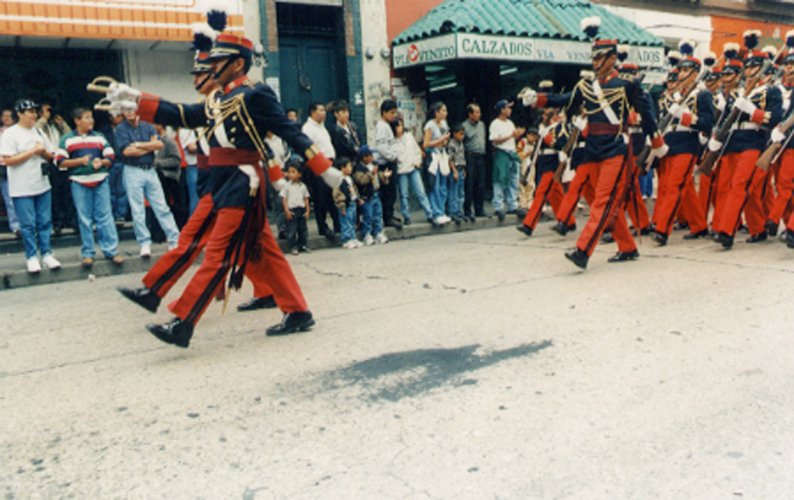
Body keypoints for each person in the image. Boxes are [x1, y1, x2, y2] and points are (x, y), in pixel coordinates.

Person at [113, 25, 341, 346]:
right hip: (222, 182)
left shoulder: (255, 93)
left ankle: (183, 321)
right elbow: (184, 114)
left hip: (243, 181)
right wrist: (139, 100)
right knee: (263, 252)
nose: (211, 66)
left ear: (237, 64)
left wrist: (323, 168)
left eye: (218, 60)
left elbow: (288, 130)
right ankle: (297, 310)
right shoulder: (216, 99)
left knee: (219, 254)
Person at [521, 16, 663, 269]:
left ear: (612, 58)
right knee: (606, 203)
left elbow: (648, 113)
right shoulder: (586, 87)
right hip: (594, 149)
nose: (596, 63)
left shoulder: (626, 85)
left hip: (616, 148)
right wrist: (538, 99)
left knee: (602, 202)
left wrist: (656, 141)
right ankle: (628, 246)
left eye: (600, 58)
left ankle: (583, 250)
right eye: (594, 58)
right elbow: (563, 100)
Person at [712, 31, 783, 248]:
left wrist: (752, 110)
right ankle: (757, 228)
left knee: (739, 184)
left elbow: (774, 119)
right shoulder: (737, 92)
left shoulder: (771, 91)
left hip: (753, 140)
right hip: (733, 140)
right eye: (748, 67)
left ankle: (726, 229)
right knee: (736, 187)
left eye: (754, 67)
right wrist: (717, 137)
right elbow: (724, 119)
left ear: (762, 68)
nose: (749, 71)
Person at [650, 40, 714, 246]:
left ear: (695, 74)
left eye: (687, 71)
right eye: (681, 70)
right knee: (677, 186)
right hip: (670, 143)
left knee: (675, 187)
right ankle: (699, 225)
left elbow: (707, 123)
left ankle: (662, 229)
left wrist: (685, 116)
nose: (681, 74)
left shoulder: (702, 95)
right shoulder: (672, 97)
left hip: (687, 143)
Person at [55, 108, 124, 268]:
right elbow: (60, 161)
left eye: (91, 118)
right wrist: (79, 162)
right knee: (84, 218)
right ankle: (88, 253)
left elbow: (110, 156)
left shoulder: (100, 137)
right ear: (77, 121)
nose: (91, 121)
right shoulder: (67, 139)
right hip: (79, 182)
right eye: (87, 118)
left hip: (101, 180)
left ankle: (112, 251)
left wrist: (103, 162)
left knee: (105, 216)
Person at [0, 99, 61, 273]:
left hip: (41, 183)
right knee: (27, 225)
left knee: (45, 221)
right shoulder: (10, 134)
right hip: (21, 186)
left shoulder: (38, 132)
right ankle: (32, 256)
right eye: (29, 112)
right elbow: (8, 160)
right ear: (19, 114)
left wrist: (44, 153)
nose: (33, 115)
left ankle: (47, 253)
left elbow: (51, 156)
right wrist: (31, 152)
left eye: (35, 111)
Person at [114, 105, 179, 257]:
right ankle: (144, 243)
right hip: (132, 170)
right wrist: (148, 146)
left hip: (150, 169)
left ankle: (174, 239)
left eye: (132, 109)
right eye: (126, 109)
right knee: (137, 210)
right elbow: (126, 152)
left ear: (137, 110)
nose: (129, 112)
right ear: (122, 112)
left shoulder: (148, 126)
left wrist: (138, 145)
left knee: (161, 206)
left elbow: (159, 144)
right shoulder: (120, 129)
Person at [37, 99, 74, 235]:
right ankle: (57, 222)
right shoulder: (40, 126)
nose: (49, 113)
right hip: (49, 162)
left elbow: (70, 136)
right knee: (55, 194)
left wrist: (62, 123)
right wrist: (43, 119)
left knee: (68, 193)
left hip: (63, 161)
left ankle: (71, 220)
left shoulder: (57, 124)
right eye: (46, 111)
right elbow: (36, 131)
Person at [302, 102, 339, 240]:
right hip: (319, 166)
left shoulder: (322, 127)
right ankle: (323, 227)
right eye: (321, 110)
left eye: (324, 110)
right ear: (312, 112)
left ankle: (337, 225)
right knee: (321, 197)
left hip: (330, 163)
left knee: (332, 196)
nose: (324, 113)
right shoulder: (308, 129)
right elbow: (308, 150)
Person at [489, 99, 525, 222]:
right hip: (501, 153)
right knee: (499, 179)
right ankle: (498, 205)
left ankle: (513, 204)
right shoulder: (495, 123)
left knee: (513, 179)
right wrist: (510, 136)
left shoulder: (510, 123)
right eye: (507, 108)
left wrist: (518, 135)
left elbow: (513, 138)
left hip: (511, 152)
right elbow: (494, 140)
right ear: (502, 109)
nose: (510, 110)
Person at [393, 118, 433, 225]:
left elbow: (416, 150)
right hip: (402, 170)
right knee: (404, 194)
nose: (399, 128)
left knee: (420, 191)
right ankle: (406, 216)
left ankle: (429, 214)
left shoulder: (408, 136)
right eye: (397, 126)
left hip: (413, 167)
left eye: (401, 125)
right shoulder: (393, 141)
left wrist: (418, 161)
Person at [373, 99, 402, 230]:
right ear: (384, 112)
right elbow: (382, 147)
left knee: (391, 191)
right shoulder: (381, 127)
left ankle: (389, 214)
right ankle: (387, 217)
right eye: (391, 112)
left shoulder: (387, 125)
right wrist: (393, 157)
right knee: (388, 191)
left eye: (395, 112)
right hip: (385, 163)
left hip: (390, 162)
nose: (394, 115)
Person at [153, 124, 189, 229]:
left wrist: (157, 163)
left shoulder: (169, 142)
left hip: (170, 177)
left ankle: (179, 228)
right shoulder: (151, 141)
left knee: (175, 205)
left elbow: (176, 160)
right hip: (157, 177)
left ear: (160, 126)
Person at [423, 101, 452, 226]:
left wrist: (445, 141)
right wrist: (441, 140)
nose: (445, 113)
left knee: (443, 186)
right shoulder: (430, 125)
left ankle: (442, 211)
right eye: (443, 111)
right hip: (433, 157)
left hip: (442, 156)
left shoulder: (444, 124)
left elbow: (445, 140)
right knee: (435, 185)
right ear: (436, 112)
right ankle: (436, 212)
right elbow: (426, 144)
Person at [354, 145, 389, 245]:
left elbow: (378, 176)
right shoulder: (359, 168)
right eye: (369, 155)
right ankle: (367, 234)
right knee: (367, 216)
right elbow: (361, 180)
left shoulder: (373, 165)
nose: (371, 157)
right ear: (364, 157)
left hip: (376, 193)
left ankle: (378, 233)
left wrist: (384, 176)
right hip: (366, 196)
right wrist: (371, 173)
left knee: (378, 214)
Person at [462, 103, 487, 218]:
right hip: (470, 156)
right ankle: (467, 210)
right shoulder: (464, 126)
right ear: (470, 114)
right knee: (470, 183)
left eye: (479, 112)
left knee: (480, 183)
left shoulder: (482, 125)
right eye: (476, 112)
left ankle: (479, 209)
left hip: (481, 156)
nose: (479, 114)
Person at [281, 162, 311, 255]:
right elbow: (284, 199)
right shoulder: (286, 186)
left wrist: (307, 210)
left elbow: (306, 198)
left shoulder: (303, 186)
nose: (290, 174)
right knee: (292, 230)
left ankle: (302, 245)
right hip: (292, 210)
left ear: (299, 174)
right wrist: (286, 210)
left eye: (293, 172)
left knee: (303, 229)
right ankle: (293, 246)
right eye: (289, 172)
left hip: (301, 209)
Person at [333, 156, 362, 249]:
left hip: (352, 202)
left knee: (352, 220)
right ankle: (346, 239)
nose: (351, 168)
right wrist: (341, 205)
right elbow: (337, 194)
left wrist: (358, 198)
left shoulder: (349, 178)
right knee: (346, 222)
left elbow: (354, 189)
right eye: (349, 166)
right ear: (342, 168)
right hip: (345, 204)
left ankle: (353, 237)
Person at [0, 107, 20, 236]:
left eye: (9, 116)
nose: (6, 118)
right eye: (4, 116)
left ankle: (20, 225)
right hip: (2, 167)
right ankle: (15, 225)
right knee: (8, 198)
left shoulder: (18, 132)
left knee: (16, 197)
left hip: (16, 166)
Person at [447, 123, 467, 223]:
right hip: (454, 169)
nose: (462, 136)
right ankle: (452, 212)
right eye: (460, 134)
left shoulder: (461, 144)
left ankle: (459, 211)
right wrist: (454, 171)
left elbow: (462, 158)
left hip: (461, 168)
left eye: (463, 134)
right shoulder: (451, 144)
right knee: (453, 192)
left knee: (461, 192)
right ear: (454, 134)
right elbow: (450, 159)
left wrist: (464, 170)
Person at [178, 127, 200, 215]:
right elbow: (191, 148)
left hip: (209, 165)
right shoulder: (185, 130)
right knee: (196, 199)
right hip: (194, 166)